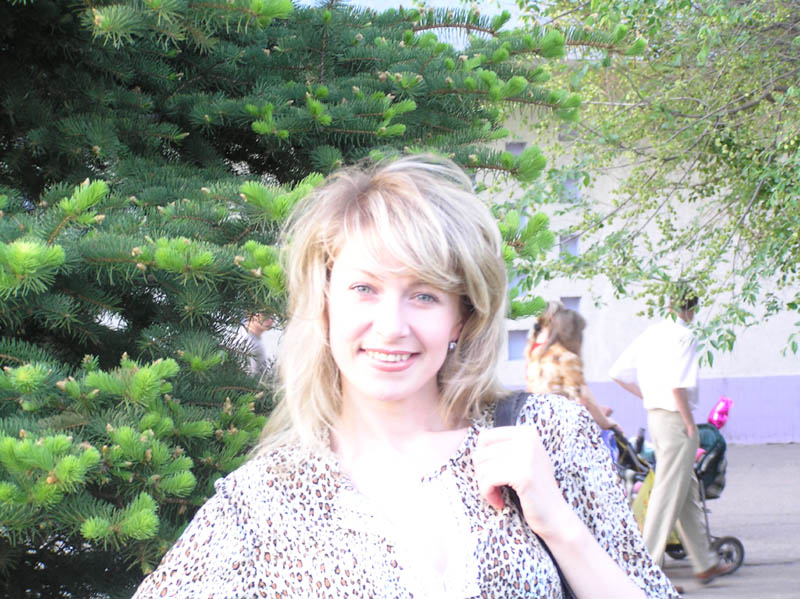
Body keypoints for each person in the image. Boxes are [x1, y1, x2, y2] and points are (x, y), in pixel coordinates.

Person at [133, 154, 679, 598]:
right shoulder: (266, 499)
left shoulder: (548, 438)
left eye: (424, 295)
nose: (392, 326)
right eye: (363, 289)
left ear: (462, 317)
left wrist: (560, 526)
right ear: (324, 304)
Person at [609, 289, 736, 585]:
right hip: (676, 419)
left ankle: (704, 563)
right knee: (667, 493)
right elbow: (678, 386)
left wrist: (649, 396)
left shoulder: (652, 332)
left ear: (669, 304)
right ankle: (647, 570)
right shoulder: (684, 336)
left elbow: (618, 372)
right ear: (691, 309)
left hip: (656, 416)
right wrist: (690, 424)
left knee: (685, 490)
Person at [525, 304, 619, 433]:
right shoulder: (567, 358)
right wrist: (606, 423)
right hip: (560, 426)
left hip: (537, 421)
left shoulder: (537, 354)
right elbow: (583, 398)